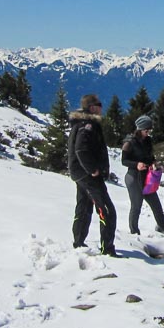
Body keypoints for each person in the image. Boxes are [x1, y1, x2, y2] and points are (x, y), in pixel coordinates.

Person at [68, 94, 119, 257]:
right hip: (87, 175)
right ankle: (107, 249)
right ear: (92, 107)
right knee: (107, 210)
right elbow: (81, 149)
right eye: (99, 105)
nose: (102, 108)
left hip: (78, 173)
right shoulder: (88, 125)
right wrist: (93, 169)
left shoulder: (80, 123)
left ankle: (78, 243)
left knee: (84, 207)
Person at [122, 115, 164, 245]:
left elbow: (150, 156)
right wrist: (137, 164)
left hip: (147, 179)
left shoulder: (148, 141)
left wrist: (154, 163)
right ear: (140, 129)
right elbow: (124, 161)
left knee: (157, 208)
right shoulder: (129, 142)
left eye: (149, 130)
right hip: (134, 178)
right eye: (146, 130)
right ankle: (135, 235)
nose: (148, 132)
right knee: (136, 206)